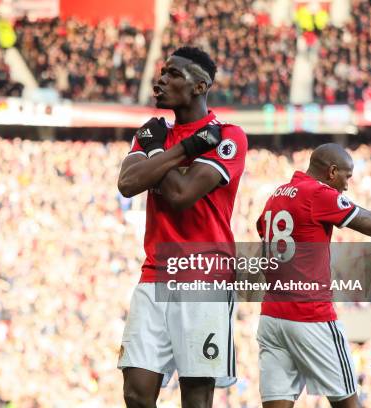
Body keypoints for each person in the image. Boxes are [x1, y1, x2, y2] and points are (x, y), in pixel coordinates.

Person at [117, 46, 248, 408]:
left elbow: (180, 194)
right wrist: (179, 150)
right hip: (155, 272)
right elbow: (127, 184)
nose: (161, 79)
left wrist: (157, 156)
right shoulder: (153, 133)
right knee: (136, 394)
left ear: (199, 86)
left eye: (173, 74)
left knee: (195, 396)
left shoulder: (228, 136)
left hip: (204, 277)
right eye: (162, 72)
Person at [255, 143, 371, 407]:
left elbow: (262, 236)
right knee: (348, 403)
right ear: (332, 172)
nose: (346, 186)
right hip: (310, 315)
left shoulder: (276, 195)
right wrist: (339, 203)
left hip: (271, 317)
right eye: (346, 177)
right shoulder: (318, 193)